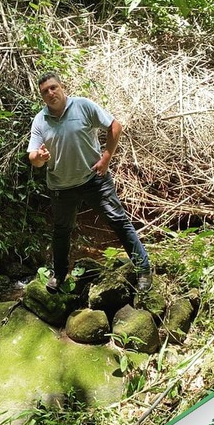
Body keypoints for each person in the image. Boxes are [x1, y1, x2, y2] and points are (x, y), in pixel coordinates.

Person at [27, 72, 152, 294]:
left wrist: (106, 158)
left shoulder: (82, 106)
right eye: (45, 91)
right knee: (61, 231)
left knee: (118, 220)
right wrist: (41, 158)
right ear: (42, 96)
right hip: (60, 186)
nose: (50, 93)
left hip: (93, 179)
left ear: (62, 86)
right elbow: (33, 158)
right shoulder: (40, 120)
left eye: (53, 87)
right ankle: (59, 275)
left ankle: (143, 269)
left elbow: (115, 126)